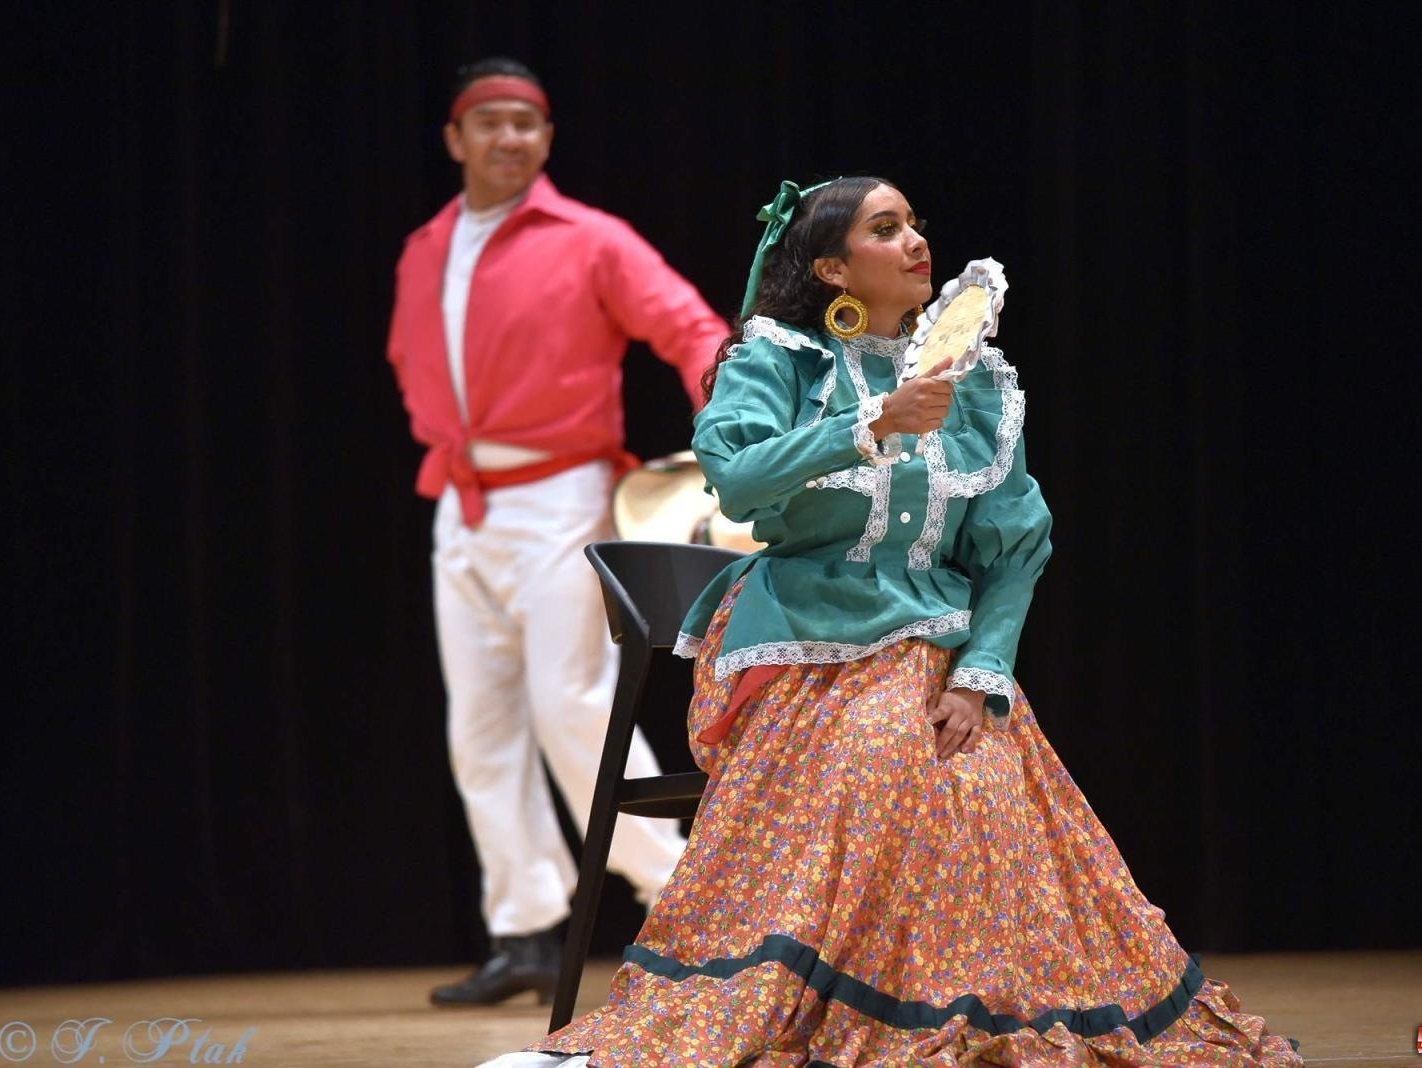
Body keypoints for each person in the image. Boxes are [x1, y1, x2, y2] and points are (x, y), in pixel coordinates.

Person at [480, 177, 1301, 1064]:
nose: (916, 241)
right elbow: (739, 478)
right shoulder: (781, 361)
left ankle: (980, 1007)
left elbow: (1016, 545)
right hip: (802, 638)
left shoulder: (974, 382)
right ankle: (834, 1002)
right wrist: (869, 421)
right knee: (889, 759)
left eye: (914, 224)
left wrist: (982, 671)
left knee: (980, 779)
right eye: (886, 228)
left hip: (937, 643)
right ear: (834, 268)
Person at [385, 57, 729, 1007]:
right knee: (479, 726)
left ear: (546, 139)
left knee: (570, 702)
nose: (508, 138)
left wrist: (733, 408)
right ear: (455, 140)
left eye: (526, 124)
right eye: (488, 123)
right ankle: (525, 928)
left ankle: (684, 903)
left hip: (564, 493)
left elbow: (687, 325)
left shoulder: (590, 239)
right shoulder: (426, 245)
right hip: (463, 500)